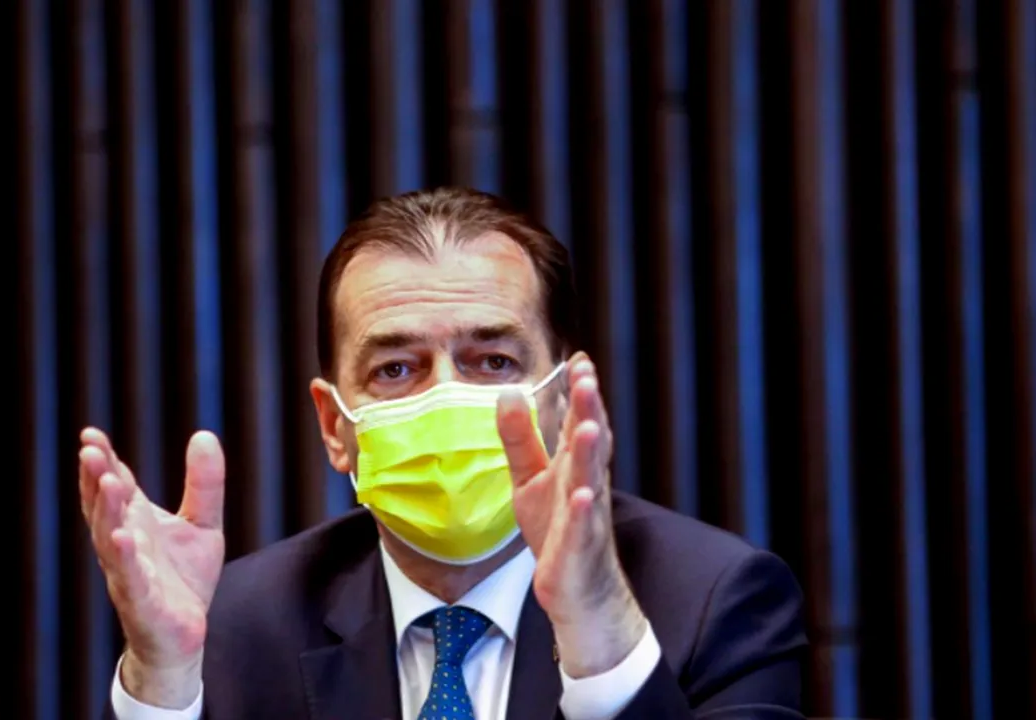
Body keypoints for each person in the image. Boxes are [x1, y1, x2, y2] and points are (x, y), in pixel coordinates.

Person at [78, 187, 807, 720]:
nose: (447, 398)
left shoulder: (716, 602)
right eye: (396, 369)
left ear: (563, 397)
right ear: (335, 425)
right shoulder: (237, 626)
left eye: (493, 361)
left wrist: (601, 637)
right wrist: (161, 680)